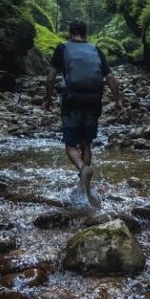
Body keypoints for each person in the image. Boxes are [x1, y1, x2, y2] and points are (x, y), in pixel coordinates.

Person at [44, 20, 123, 186]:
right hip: (94, 100)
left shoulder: (62, 48)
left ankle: (82, 168)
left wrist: (48, 99)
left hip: (72, 99)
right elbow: (109, 77)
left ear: (69, 32)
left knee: (71, 144)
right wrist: (118, 100)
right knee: (86, 142)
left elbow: (51, 77)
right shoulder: (96, 49)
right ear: (85, 33)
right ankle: (84, 184)